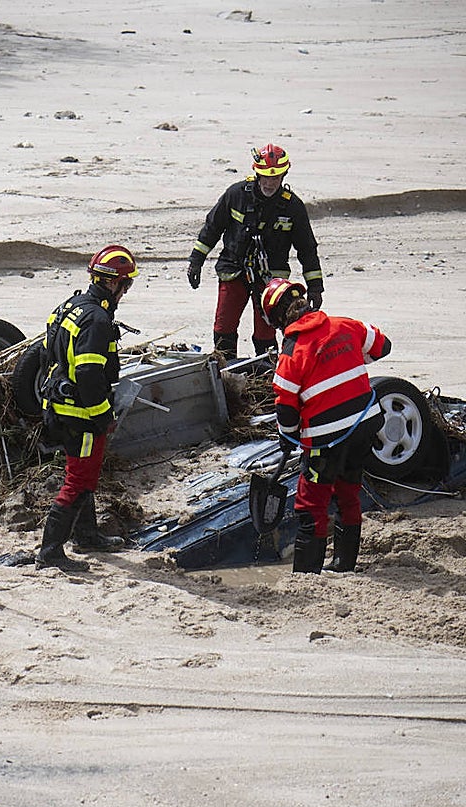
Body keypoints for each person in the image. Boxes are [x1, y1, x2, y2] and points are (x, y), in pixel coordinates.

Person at [261, 278, 391, 574]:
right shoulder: (345, 324)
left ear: (278, 318)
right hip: (366, 424)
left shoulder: (292, 352)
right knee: (348, 491)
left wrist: (288, 437)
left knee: (310, 505)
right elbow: (383, 346)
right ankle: (344, 565)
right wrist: (350, 359)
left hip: (326, 439)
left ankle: (307, 577)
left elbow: (286, 408)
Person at [36, 245, 137, 571]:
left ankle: (86, 534)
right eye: (127, 284)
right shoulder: (97, 320)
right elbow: (89, 372)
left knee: (83, 474)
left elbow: (44, 355)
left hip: (58, 407)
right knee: (78, 481)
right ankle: (50, 552)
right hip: (81, 414)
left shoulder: (69, 307)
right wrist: (103, 415)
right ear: (114, 283)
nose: (126, 292)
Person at [187, 143, 324, 359]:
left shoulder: (293, 206)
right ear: (256, 173)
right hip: (233, 270)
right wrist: (196, 261)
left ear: (284, 175)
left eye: (276, 177)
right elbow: (212, 228)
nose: (270, 183)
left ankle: (267, 377)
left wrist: (315, 287)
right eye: (266, 177)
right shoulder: (236, 195)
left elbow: (307, 248)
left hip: (272, 280)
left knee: (266, 332)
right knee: (224, 328)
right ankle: (225, 377)